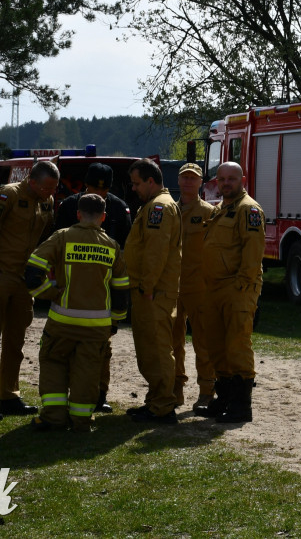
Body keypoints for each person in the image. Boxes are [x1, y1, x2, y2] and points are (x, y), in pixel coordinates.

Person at [24, 194, 129, 432]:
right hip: (97, 328)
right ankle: (81, 420)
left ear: (78, 214)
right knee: (88, 372)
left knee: (53, 364)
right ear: (103, 217)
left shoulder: (62, 237)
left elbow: (32, 273)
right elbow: (121, 289)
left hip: (62, 323)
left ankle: (53, 417)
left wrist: (50, 293)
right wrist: (115, 322)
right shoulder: (112, 246)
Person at [0, 161, 59, 421]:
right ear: (32, 180)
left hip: (23, 281)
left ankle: (9, 396)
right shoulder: (7, 195)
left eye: (53, 188)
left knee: (15, 342)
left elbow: (45, 238)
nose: (50, 193)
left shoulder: (46, 202)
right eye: (46, 187)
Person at [53, 162, 133, 413]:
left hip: (102, 291)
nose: (98, 195)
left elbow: (125, 249)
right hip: (72, 288)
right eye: (93, 189)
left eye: (103, 191)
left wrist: (117, 310)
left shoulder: (118, 208)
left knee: (101, 348)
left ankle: (100, 394)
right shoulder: (69, 206)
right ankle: (68, 395)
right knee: (66, 348)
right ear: (84, 186)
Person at [199, 161, 266, 423]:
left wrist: (243, 285)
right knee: (217, 345)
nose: (226, 183)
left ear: (243, 181)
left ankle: (241, 406)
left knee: (237, 345)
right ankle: (224, 398)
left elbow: (253, 251)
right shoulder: (221, 208)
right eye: (222, 179)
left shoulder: (248, 209)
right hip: (215, 287)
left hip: (238, 287)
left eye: (232, 179)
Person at [125, 158, 183, 424]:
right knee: (149, 348)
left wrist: (147, 286)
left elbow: (155, 252)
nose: (134, 188)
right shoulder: (153, 205)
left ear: (151, 181)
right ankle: (155, 401)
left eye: (137, 183)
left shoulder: (159, 207)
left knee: (157, 349)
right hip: (149, 290)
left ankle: (162, 406)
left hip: (154, 292)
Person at [171, 163, 216, 413]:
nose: (188, 182)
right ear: (178, 181)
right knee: (173, 341)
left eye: (193, 178)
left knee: (203, 341)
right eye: (185, 177)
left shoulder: (209, 212)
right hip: (172, 285)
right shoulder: (169, 211)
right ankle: (175, 390)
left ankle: (206, 392)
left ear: (201, 182)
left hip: (199, 286)